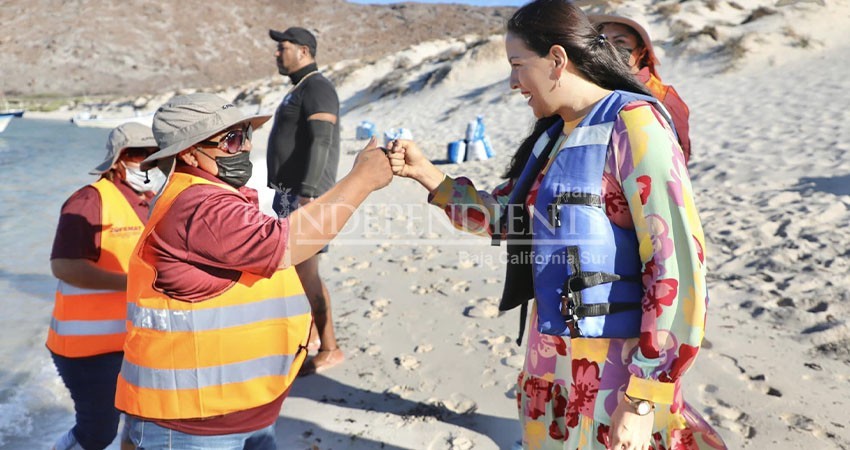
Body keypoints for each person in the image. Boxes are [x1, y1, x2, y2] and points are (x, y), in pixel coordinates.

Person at [388, 1, 725, 449]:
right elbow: (506, 219)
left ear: (558, 60)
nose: (512, 83)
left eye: (517, 65)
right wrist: (426, 173)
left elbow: (677, 264)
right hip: (550, 360)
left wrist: (645, 396)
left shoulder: (633, 124)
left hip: (615, 370)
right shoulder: (554, 134)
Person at [114, 93, 391, 449]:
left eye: (245, 133)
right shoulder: (198, 206)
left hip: (239, 414)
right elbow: (284, 243)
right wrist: (362, 180)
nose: (244, 146)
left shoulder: (212, 195)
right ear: (187, 153)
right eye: (231, 139)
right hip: (192, 427)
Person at [48, 122, 163, 450]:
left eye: (154, 154)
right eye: (139, 153)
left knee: (142, 422)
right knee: (98, 432)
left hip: (135, 341)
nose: (148, 161)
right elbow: (64, 266)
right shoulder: (88, 200)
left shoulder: (151, 201)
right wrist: (131, 284)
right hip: (87, 350)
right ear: (118, 159)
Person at [266, 26, 344, 375]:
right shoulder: (299, 88)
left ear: (304, 50)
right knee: (298, 272)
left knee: (306, 274)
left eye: (282, 47)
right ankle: (312, 338)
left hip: (304, 195)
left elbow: (322, 141)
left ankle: (330, 348)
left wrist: (308, 195)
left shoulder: (317, 87)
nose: (276, 53)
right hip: (289, 193)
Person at [589, 13, 692, 163]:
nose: (609, 48)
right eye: (603, 40)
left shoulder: (662, 97)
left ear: (642, 50)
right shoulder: (594, 90)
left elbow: (678, 158)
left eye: (620, 41)